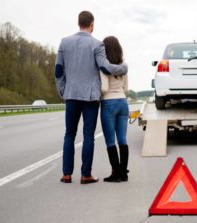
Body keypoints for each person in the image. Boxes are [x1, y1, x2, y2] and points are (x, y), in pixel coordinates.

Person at [55, 11, 127, 184]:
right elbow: (105, 67)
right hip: (90, 98)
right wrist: (124, 68)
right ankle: (85, 174)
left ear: (78, 22)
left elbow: (58, 70)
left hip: (71, 95)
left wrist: (63, 91)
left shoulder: (64, 42)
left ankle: (66, 174)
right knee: (88, 135)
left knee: (69, 135)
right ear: (92, 24)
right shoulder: (97, 44)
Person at [100, 36, 129, 183]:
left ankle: (115, 174)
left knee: (110, 141)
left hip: (109, 102)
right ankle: (123, 173)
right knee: (122, 139)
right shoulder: (123, 65)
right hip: (123, 102)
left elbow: (104, 88)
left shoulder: (104, 66)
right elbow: (126, 88)